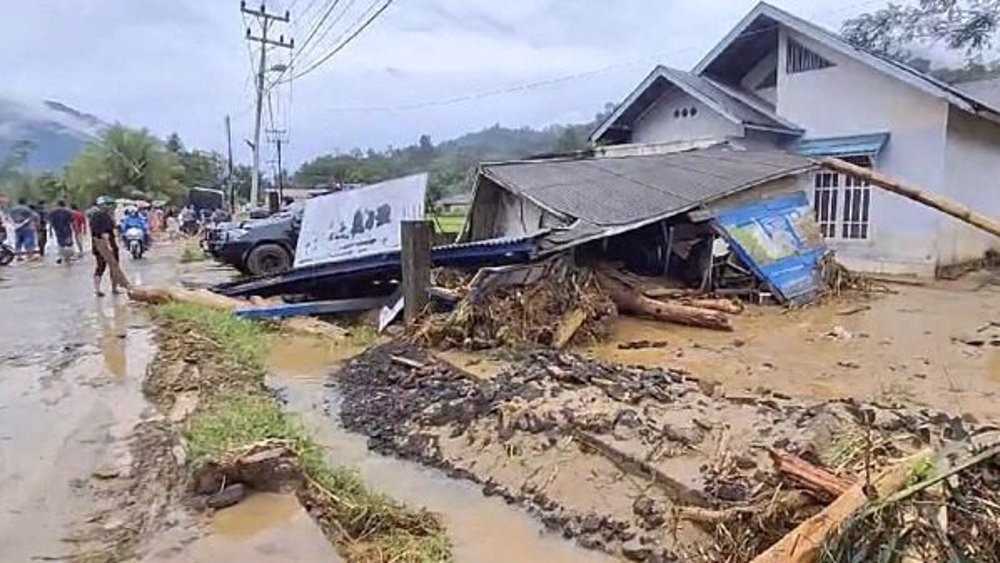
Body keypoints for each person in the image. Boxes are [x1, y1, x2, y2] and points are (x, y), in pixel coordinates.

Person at [89, 196, 120, 297]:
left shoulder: (94, 216)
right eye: (109, 205)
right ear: (103, 206)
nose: (111, 207)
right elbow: (105, 233)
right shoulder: (104, 216)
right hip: (106, 245)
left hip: (97, 245)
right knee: (114, 267)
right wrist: (109, 247)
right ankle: (114, 288)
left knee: (100, 267)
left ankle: (97, 289)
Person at [48, 200, 75, 265]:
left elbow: (51, 223)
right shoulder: (68, 212)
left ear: (58, 204)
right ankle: (67, 258)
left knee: (60, 244)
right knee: (68, 244)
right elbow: (72, 222)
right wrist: (76, 230)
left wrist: (50, 231)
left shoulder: (53, 212)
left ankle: (60, 256)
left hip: (57, 230)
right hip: (67, 230)